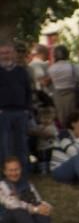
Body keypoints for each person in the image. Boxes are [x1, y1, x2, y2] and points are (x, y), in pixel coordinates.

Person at [0, 157, 56, 223]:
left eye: (16, 170)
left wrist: (46, 207)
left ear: (20, 169)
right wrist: (34, 209)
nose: (14, 173)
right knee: (18, 211)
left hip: (27, 218)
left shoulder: (27, 183)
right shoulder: (2, 185)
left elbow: (37, 199)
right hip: (7, 221)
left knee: (41, 206)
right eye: (10, 170)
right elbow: (12, 204)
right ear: (5, 172)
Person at [0, 40, 33, 169]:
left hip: (21, 112)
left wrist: (27, 110)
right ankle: (6, 176)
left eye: (7, 52)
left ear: (13, 54)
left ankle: (23, 174)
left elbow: (28, 91)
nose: (5, 56)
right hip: (3, 113)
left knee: (22, 144)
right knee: (5, 145)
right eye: (2, 53)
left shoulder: (21, 71)